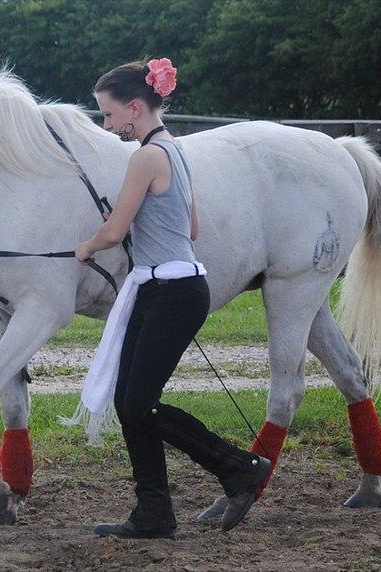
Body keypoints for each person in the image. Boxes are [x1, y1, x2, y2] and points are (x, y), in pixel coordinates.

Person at [75, 58, 270, 539]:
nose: (107, 125)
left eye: (108, 115)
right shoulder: (174, 150)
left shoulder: (144, 157)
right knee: (129, 401)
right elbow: (192, 227)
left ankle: (239, 468)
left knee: (139, 402)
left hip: (173, 291)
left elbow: (115, 229)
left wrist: (88, 245)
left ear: (135, 108)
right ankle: (154, 513)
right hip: (165, 287)